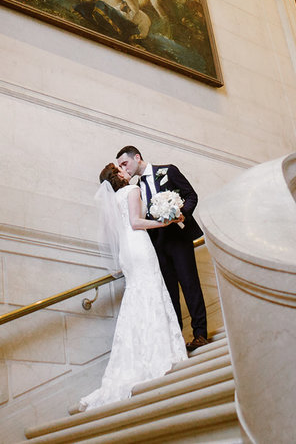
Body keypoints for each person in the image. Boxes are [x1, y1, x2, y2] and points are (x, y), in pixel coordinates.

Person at [78, 163, 187, 411]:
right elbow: (137, 222)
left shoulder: (114, 199)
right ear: (117, 176)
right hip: (139, 246)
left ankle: (135, 358)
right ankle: (159, 353)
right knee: (151, 291)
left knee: (137, 297)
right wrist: (165, 222)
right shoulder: (132, 191)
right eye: (120, 168)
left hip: (127, 254)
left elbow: (121, 228)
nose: (125, 170)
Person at [116, 146, 209, 352]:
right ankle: (177, 340)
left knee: (190, 285)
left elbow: (191, 195)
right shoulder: (136, 188)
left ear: (137, 157)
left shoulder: (168, 171)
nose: (124, 168)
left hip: (178, 239)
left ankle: (200, 334)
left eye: (125, 163)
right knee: (169, 292)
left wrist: (181, 213)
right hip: (156, 245)